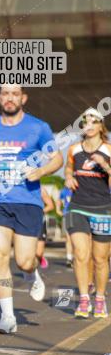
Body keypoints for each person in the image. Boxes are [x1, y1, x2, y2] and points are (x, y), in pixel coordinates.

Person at [0, 85, 62, 334]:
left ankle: (31, 273)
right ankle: (7, 317)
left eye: (15, 94)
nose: (10, 98)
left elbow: (57, 159)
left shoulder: (38, 127)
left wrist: (41, 171)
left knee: (23, 261)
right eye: (5, 94)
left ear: (23, 98)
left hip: (28, 201)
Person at [64, 107, 111, 319]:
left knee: (100, 259)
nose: (89, 125)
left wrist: (106, 167)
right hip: (78, 206)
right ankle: (84, 299)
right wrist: (67, 177)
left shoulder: (109, 150)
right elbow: (68, 167)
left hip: (103, 208)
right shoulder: (74, 149)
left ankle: (100, 298)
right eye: (86, 122)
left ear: (101, 126)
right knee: (80, 255)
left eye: (94, 121)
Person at [35, 186, 54, 269]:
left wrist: (38, 212)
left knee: (38, 253)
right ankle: (33, 273)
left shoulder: (41, 189)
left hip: (39, 221)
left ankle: (40, 257)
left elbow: (50, 206)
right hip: (26, 221)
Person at [60, 185, 73, 266]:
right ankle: (69, 258)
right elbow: (59, 200)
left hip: (79, 214)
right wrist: (58, 210)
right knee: (68, 238)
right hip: (68, 214)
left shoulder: (80, 188)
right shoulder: (64, 191)